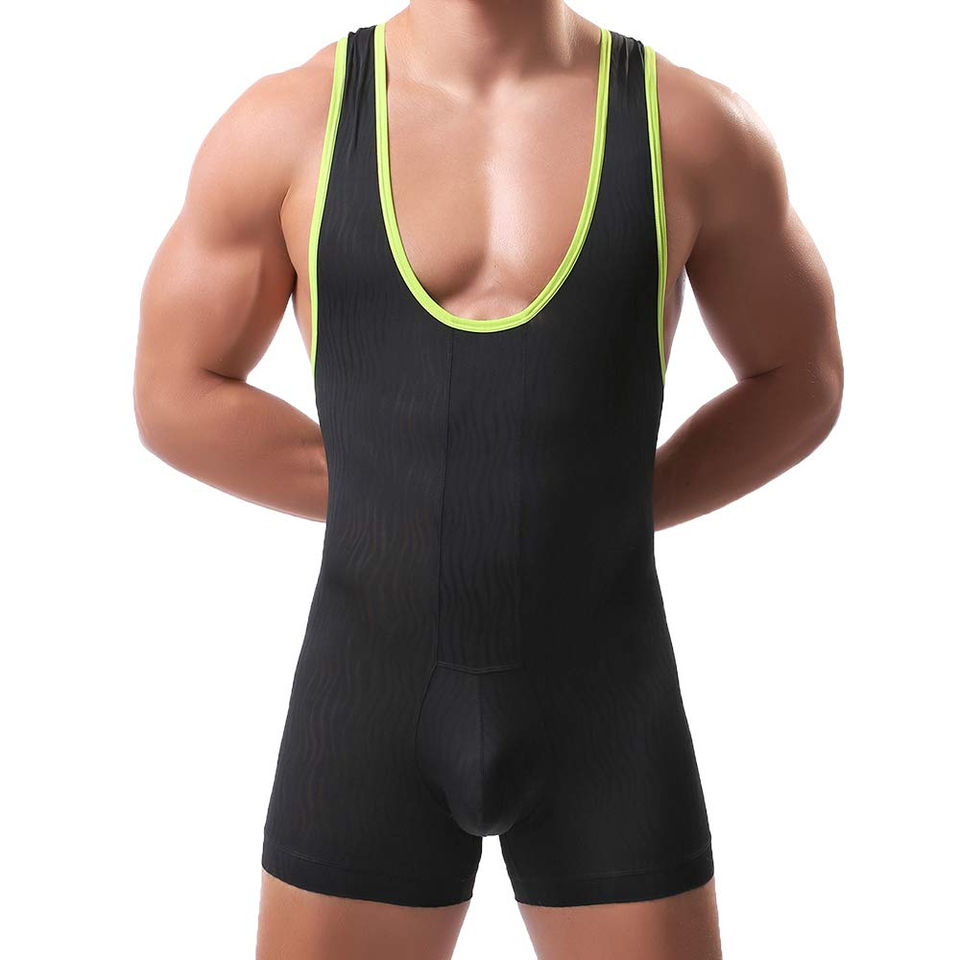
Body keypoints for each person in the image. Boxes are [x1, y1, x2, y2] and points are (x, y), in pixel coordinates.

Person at [134, 2, 842, 957]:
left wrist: (599, 507)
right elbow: (174, 392)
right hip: (369, 703)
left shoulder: (691, 127)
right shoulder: (288, 125)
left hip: (605, 705)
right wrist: (404, 501)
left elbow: (802, 379)